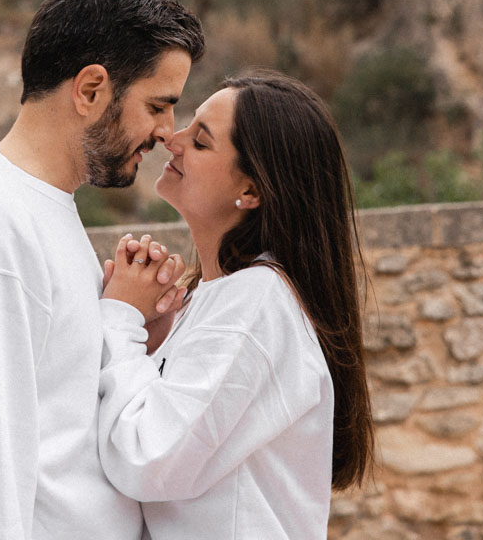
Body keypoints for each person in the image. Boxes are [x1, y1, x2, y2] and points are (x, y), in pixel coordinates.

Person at [0, 0, 204, 540]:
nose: (167, 131)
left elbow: (58, 426)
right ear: (90, 90)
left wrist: (134, 335)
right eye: (158, 106)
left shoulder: (36, 210)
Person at [99, 72, 374, 540]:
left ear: (250, 192)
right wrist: (154, 344)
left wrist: (120, 318)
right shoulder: (223, 298)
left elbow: (149, 458)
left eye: (201, 142)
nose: (172, 138)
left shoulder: (256, 302)